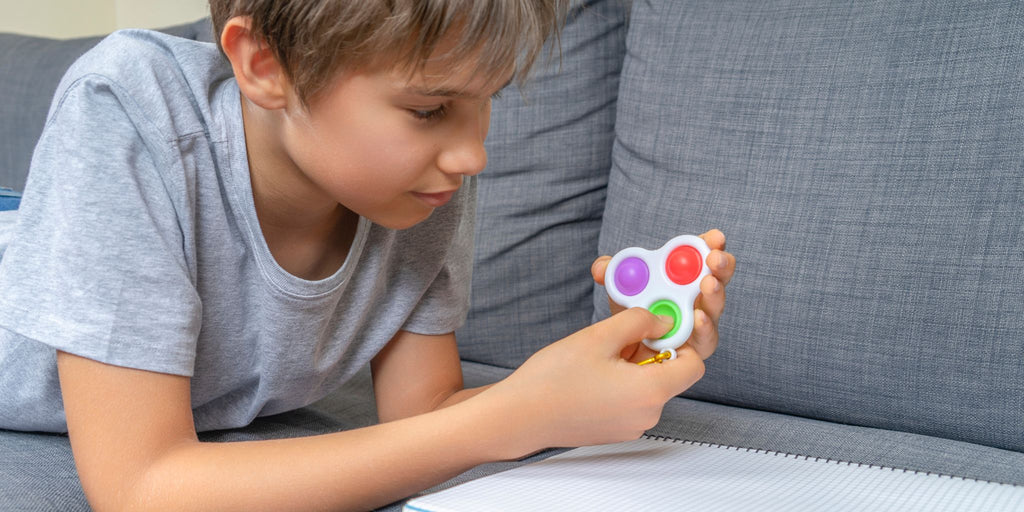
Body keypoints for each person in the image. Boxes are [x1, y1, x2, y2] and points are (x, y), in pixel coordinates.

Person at [0, 1, 737, 510]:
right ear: (264, 64)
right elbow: (142, 488)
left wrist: (605, 369)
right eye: (428, 109)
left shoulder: (417, 182)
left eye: (490, 100)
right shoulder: (130, 107)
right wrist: (516, 419)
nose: (473, 152)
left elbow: (423, 418)